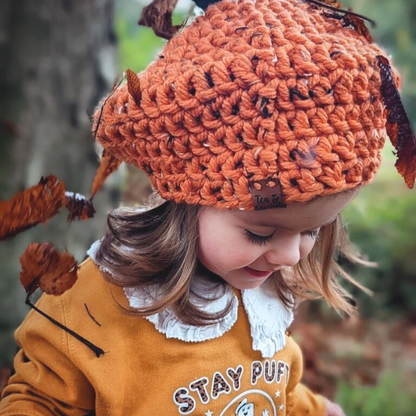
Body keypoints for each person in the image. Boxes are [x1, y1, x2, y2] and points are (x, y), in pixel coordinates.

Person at [0, 0, 412, 414]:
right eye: (261, 233)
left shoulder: (256, 289)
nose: (290, 255)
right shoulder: (94, 303)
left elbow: (271, 384)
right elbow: (36, 400)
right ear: (188, 202)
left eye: (312, 231)